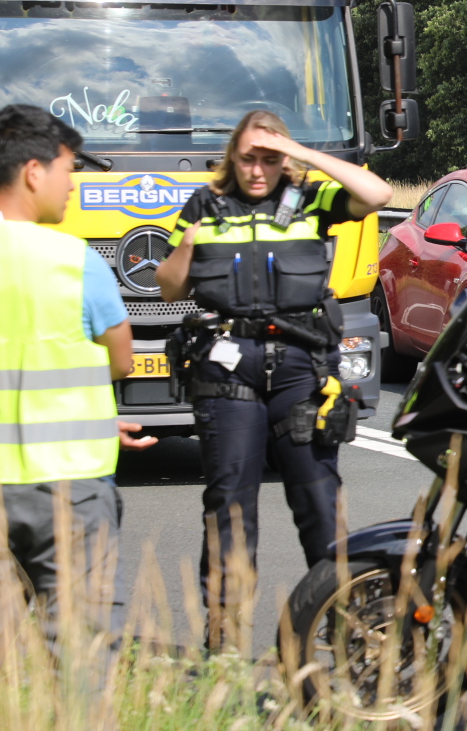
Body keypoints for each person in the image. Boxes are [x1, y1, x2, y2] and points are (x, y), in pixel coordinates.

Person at [152, 110, 392, 648]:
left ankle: (345, 630)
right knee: (229, 504)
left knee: (318, 500)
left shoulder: (310, 200)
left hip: (300, 369)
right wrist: (188, 246)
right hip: (227, 368)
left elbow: (378, 194)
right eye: (248, 158)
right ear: (232, 159)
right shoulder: (204, 205)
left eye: (269, 159)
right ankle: (225, 640)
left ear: (283, 159)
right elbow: (169, 287)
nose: (257, 170)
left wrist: (301, 154)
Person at [0, 105, 155, 630]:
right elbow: (121, 360)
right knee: (81, 650)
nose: (73, 185)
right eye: (67, 169)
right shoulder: (76, 260)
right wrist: (83, 416)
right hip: (72, 485)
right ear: (33, 172)